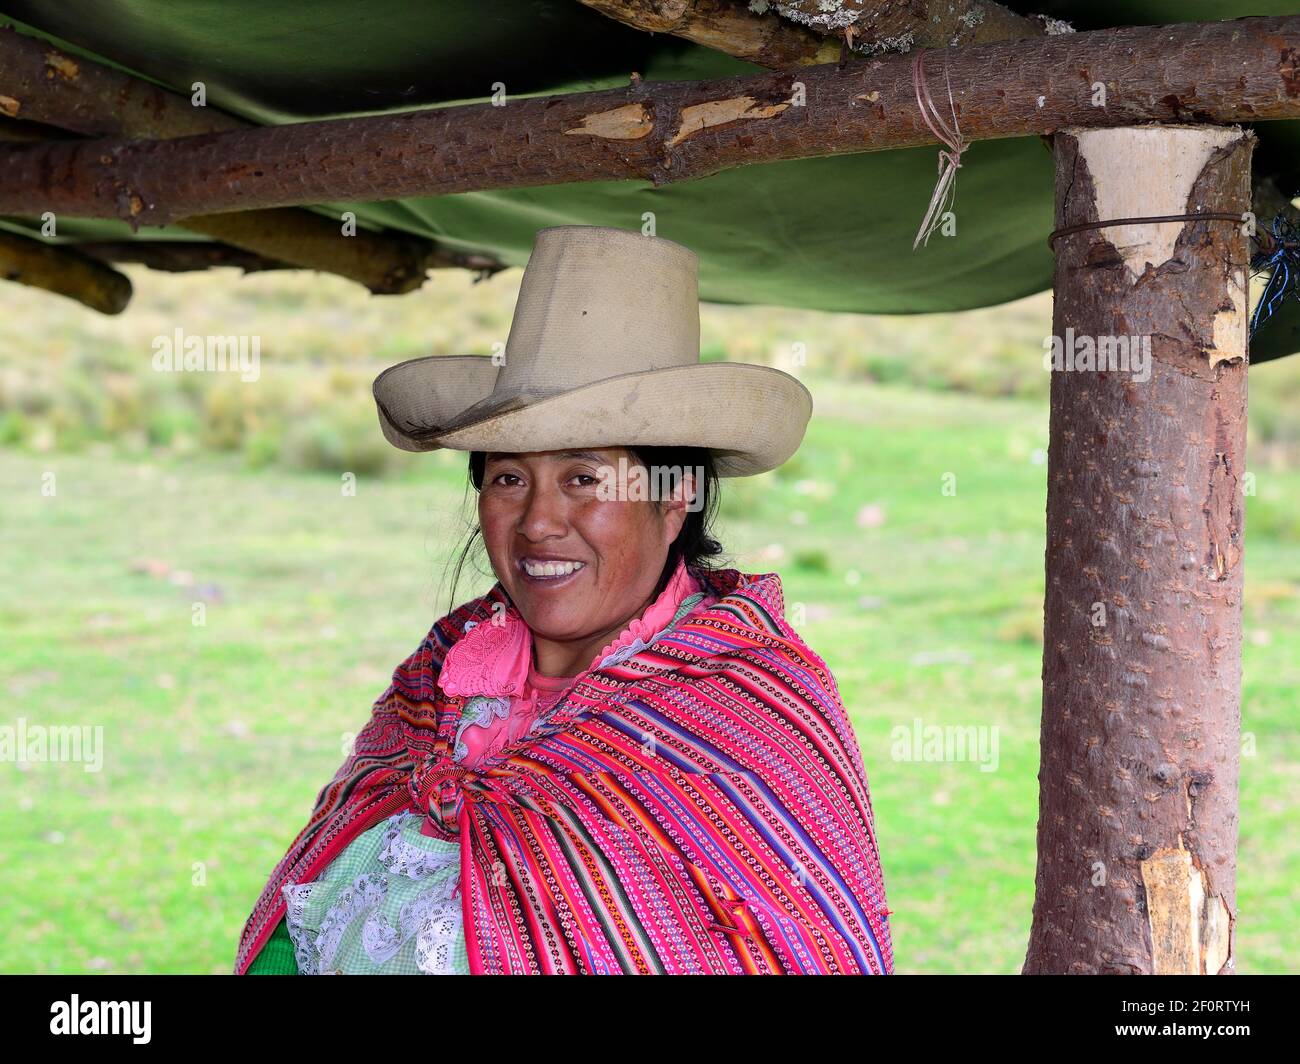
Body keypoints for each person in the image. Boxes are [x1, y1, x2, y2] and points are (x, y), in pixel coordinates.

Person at [235, 225, 893, 974]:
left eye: (584, 478)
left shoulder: (747, 717)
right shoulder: (442, 678)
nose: (538, 522)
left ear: (676, 495)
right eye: (508, 478)